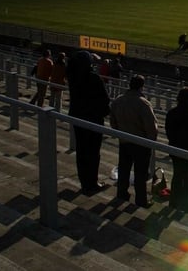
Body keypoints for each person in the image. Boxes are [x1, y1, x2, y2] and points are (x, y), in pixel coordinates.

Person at [110, 74, 159, 207]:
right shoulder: (143, 103)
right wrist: (151, 141)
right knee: (140, 173)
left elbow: (112, 122)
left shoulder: (118, 100)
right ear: (142, 86)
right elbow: (151, 127)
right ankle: (141, 200)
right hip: (140, 144)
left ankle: (122, 194)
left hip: (124, 141)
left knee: (124, 169)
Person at [66, 50, 111, 195]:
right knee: (92, 152)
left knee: (82, 151)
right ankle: (92, 183)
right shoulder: (93, 78)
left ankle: (85, 182)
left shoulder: (73, 77)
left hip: (78, 118)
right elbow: (105, 100)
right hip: (93, 119)